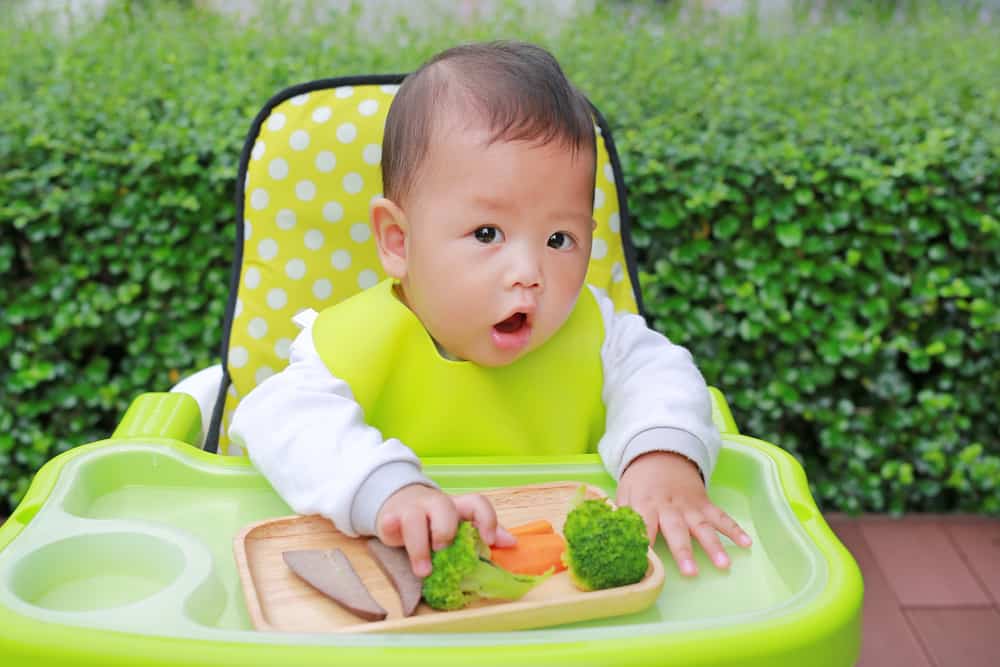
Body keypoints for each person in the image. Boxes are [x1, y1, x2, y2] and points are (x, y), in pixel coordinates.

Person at [230, 40, 751, 580]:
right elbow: (277, 420)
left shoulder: (599, 334)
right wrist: (385, 490)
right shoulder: (351, 346)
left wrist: (662, 457)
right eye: (487, 233)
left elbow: (663, 377)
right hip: (394, 600)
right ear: (397, 241)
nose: (530, 271)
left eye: (559, 238)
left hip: (568, 597)